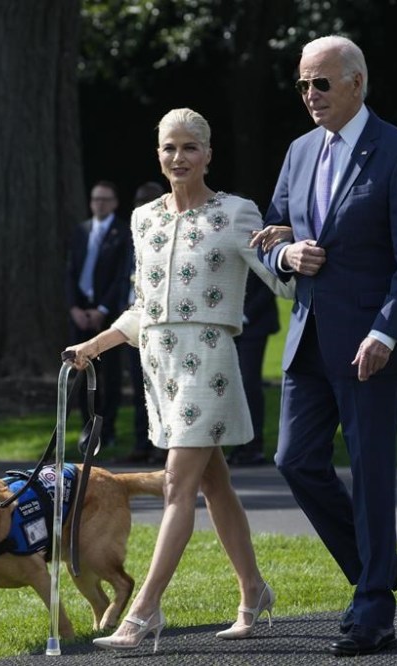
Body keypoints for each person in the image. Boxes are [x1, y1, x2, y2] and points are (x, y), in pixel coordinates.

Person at [65, 108, 293, 653]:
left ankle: (143, 611)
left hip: (209, 363)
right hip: (160, 369)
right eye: (169, 147)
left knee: (177, 486)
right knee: (215, 484)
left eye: (190, 147)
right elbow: (143, 307)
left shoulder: (236, 213)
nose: (179, 157)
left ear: (209, 154)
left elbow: (282, 282)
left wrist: (291, 242)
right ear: (158, 154)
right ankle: (254, 591)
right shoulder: (143, 219)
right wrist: (94, 345)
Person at [257, 35, 397, 657]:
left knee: (372, 474)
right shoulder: (299, 150)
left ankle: (373, 609)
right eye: (303, 84)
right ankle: (376, 569)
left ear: (357, 83)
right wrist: (287, 254)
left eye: (321, 83)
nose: (310, 95)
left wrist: (386, 331)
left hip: (369, 346)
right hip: (307, 340)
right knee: (294, 460)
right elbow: (269, 235)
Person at [65, 180, 132, 448]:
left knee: (111, 375)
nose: (99, 204)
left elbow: (121, 276)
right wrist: (74, 308)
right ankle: (88, 428)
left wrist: (103, 309)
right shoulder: (81, 231)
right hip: (81, 311)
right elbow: (70, 271)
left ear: (114, 203)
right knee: (81, 370)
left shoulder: (123, 232)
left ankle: (109, 428)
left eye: (105, 199)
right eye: (95, 199)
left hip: (108, 314)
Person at [123, 180, 166, 464]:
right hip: (133, 321)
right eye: (139, 202)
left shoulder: (165, 235)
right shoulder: (133, 235)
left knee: (160, 387)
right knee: (139, 388)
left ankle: (162, 445)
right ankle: (142, 443)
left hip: (158, 323)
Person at [227, 271, 280, 466]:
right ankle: (239, 444)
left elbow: (269, 282)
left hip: (254, 322)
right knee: (232, 386)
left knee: (249, 384)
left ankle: (253, 446)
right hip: (228, 322)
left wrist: (245, 315)